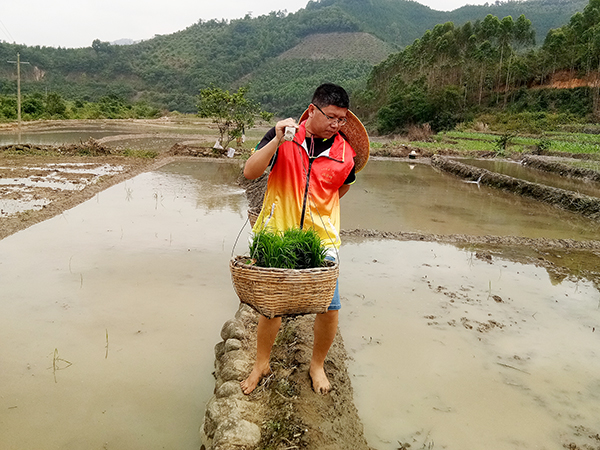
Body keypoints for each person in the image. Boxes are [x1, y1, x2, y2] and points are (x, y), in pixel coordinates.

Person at [241, 83, 369, 395]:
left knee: (330, 306)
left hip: (321, 238)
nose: (336, 125)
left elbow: (343, 187)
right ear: (312, 110)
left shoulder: (345, 155)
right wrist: (274, 139)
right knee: (272, 306)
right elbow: (250, 172)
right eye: (331, 117)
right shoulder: (284, 137)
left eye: (342, 119)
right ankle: (261, 363)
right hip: (278, 233)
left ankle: (317, 365)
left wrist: (320, 209)